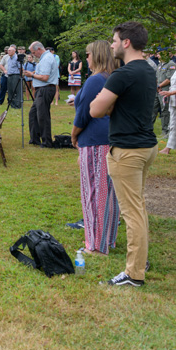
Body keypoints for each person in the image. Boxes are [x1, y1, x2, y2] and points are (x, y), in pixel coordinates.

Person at [90, 21, 157, 287]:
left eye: (114, 40)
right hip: (146, 146)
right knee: (138, 207)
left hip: (127, 151)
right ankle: (140, 259)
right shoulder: (148, 70)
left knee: (131, 212)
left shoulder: (123, 74)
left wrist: (107, 103)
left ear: (126, 42)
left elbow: (95, 109)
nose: (112, 44)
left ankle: (134, 273)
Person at [70, 40, 120, 255]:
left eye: (88, 54)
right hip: (108, 139)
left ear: (96, 55)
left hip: (94, 141)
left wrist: (74, 136)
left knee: (94, 193)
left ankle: (96, 246)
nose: (86, 58)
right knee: (108, 193)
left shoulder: (95, 79)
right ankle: (107, 240)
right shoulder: (111, 78)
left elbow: (84, 114)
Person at [25, 41, 59, 147]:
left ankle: (46, 142)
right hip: (42, 89)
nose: (33, 55)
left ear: (39, 49)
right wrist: (33, 73)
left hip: (45, 88)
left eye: (34, 52)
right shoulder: (44, 58)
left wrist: (31, 75)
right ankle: (35, 138)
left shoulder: (47, 58)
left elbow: (45, 77)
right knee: (33, 113)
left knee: (42, 115)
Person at [154, 54, 175, 137]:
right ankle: (147, 129)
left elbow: (169, 79)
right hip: (157, 90)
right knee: (153, 109)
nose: (157, 55)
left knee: (165, 110)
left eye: (159, 53)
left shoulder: (171, 64)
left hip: (165, 90)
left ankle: (165, 130)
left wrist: (160, 86)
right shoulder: (160, 64)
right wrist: (156, 86)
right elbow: (156, 77)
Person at [5, 45, 22, 109]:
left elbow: (20, 68)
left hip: (16, 75)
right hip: (9, 75)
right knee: (10, 90)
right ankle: (12, 104)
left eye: (10, 50)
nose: (8, 52)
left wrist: (20, 76)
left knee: (16, 90)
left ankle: (17, 104)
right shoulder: (9, 58)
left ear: (14, 51)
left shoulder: (17, 58)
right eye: (8, 50)